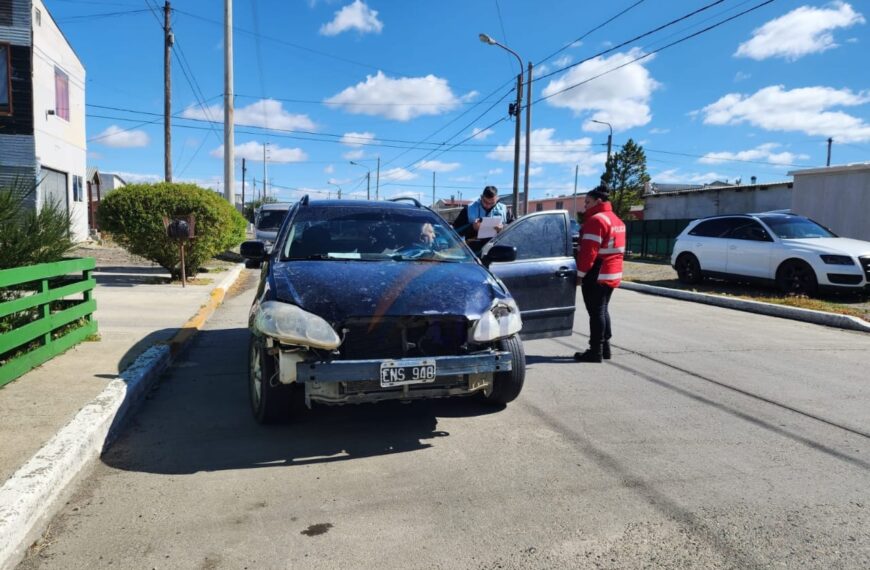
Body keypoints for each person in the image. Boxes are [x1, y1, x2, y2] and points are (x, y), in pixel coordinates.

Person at [574, 185, 625, 363]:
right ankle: (605, 349)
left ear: (598, 201)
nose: (585, 206)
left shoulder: (596, 220)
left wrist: (580, 274)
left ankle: (595, 351)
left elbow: (589, 252)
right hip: (612, 271)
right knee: (602, 310)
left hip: (598, 272)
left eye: (588, 202)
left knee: (596, 313)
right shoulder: (616, 219)